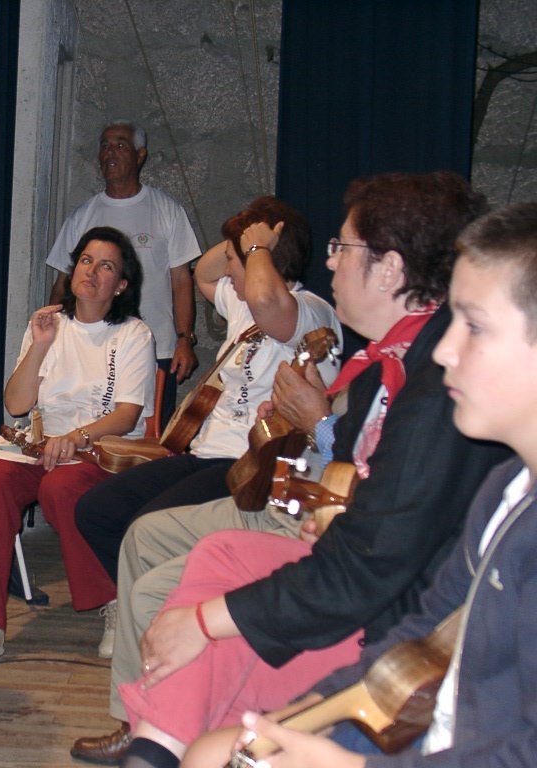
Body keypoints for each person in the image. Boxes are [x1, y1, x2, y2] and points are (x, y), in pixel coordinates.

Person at [68, 172, 510, 767]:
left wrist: (211, 618)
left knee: (173, 590)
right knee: (172, 541)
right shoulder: (386, 362)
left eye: (342, 248)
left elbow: (378, 557)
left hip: (361, 588)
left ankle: (158, 740)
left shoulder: (407, 369)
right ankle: (153, 736)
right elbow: (364, 476)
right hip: (310, 514)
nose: (331, 262)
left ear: (389, 268)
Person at [183, 201, 537, 768]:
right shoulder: (506, 488)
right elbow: (422, 632)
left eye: (474, 326)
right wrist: (311, 711)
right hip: (423, 723)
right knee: (211, 752)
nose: (445, 350)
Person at [74, 196, 342, 659]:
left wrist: (257, 249)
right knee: (97, 509)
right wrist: (247, 233)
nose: (229, 271)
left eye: (238, 260)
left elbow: (267, 299)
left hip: (250, 467)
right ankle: (159, 612)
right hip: (203, 455)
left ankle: (178, 628)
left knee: (145, 526)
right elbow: (204, 272)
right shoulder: (242, 304)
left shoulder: (308, 309)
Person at [0, 226, 156, 666]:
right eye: (86, 260)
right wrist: (40, 346)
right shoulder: (48, 325)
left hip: (104, 451)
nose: (91, 271)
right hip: (43, 448)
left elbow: (127, 415)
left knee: (61, 487)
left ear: (121, 285)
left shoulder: (133, 334)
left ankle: (114, 601)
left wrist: (75, 439)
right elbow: (16, 404)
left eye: (106, 266)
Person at [47, 120, 201, 423]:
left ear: (140, 155)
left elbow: (182, 281)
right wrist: (51, 334)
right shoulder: (82, 216)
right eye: (104, 146)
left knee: (147, 433)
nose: (110, 152)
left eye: (120, 145)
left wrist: (184, 339)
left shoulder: (166, 210)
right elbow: (63, 283)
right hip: (92, 349)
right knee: (94, 428)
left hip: (156, 348)